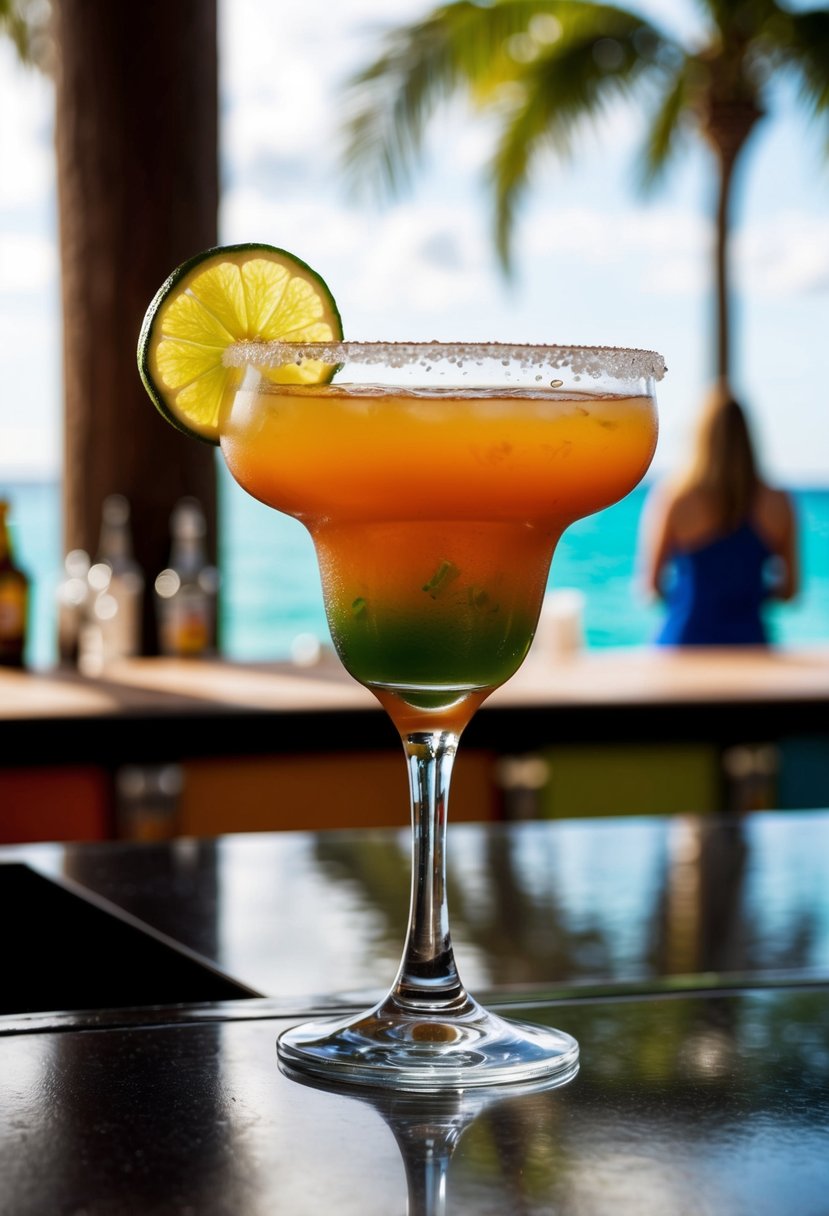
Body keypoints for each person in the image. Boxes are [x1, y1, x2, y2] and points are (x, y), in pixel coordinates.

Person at [639, 384, 799, 646]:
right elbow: (790, 591)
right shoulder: (779, 501)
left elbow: (651, 587)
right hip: (749, 644)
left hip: (685, 643)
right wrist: (745, 595)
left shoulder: (674, 496)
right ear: (748, 436)